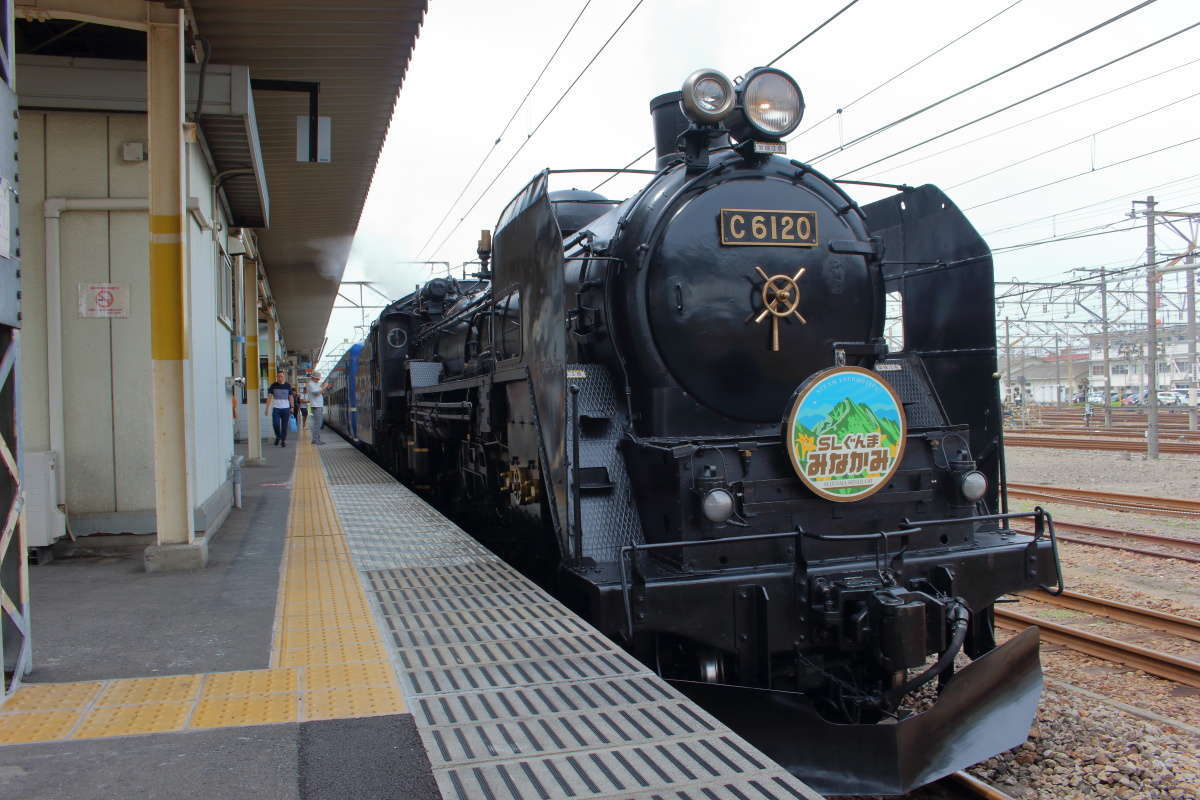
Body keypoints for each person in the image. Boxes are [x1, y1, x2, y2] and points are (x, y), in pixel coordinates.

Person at [266, 370, 296, 447]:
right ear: (277, 377)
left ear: (284, 377)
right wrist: (267, 408)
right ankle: (278, 436)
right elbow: (269, 397)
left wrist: (292, 407)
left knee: (284, 426)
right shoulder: (273, 385)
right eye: (278, 376)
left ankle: (283, 440)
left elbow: (291, 397)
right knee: (275, 424)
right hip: (276, 409)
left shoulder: (288, 386)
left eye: (281, 376)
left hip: (286, 409)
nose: (280, 378)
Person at [307, 371, 325, 445]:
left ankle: (317, 439)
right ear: (313, 378)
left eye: (318, 379)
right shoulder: (310, 384)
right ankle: (315, 440)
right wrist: (324, 387)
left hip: (319, 405)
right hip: (316, 406)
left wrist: (323, 388)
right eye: (317, 379)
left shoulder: (316, 384)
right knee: (317, 424)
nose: (318, 380)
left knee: (319, 423)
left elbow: (320, 391)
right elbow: (316, 393)